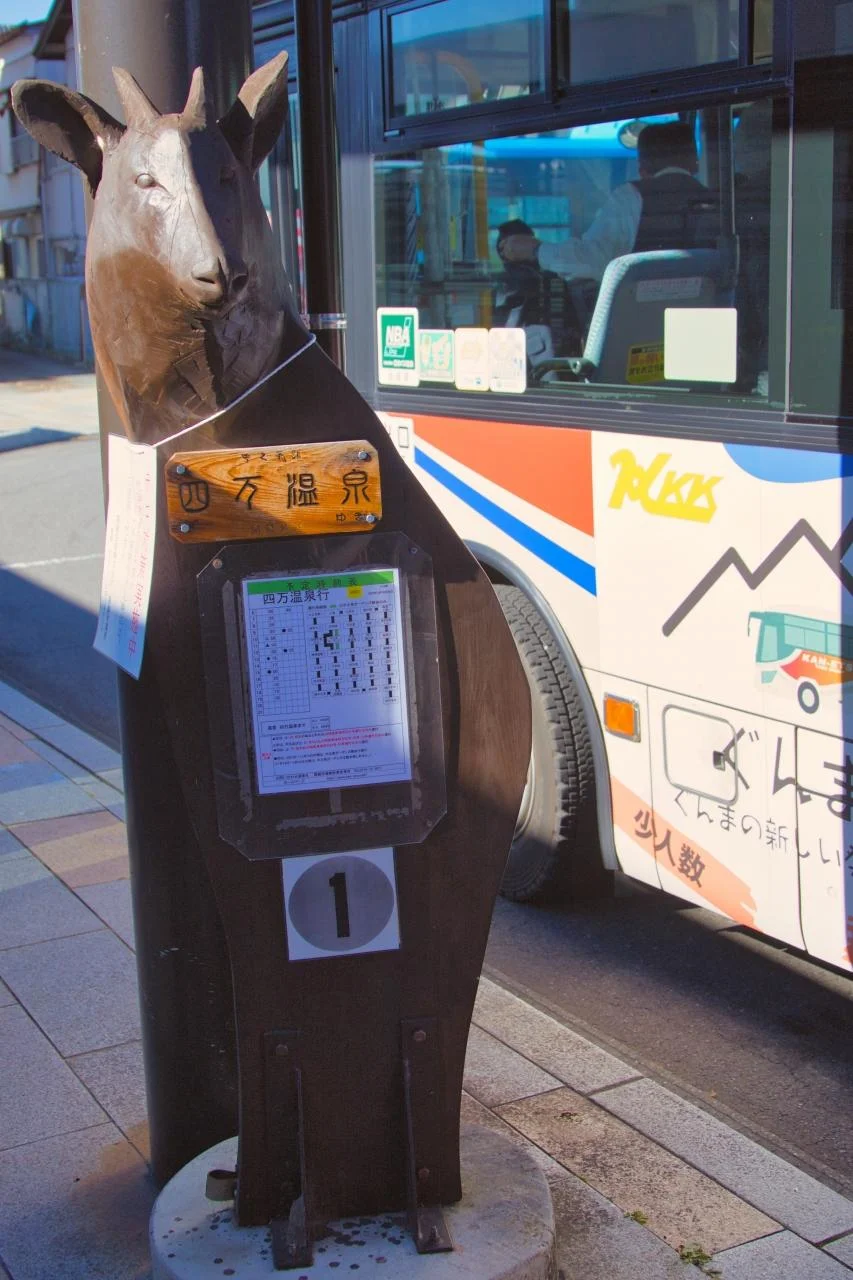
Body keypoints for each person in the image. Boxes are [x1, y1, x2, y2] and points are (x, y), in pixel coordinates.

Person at [499, 121, 716, 284]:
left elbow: (593, 259)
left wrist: (536, 250)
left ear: (642, 166)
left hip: (648, 326)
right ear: (694, 162)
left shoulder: (632, 196)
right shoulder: (718, 201)